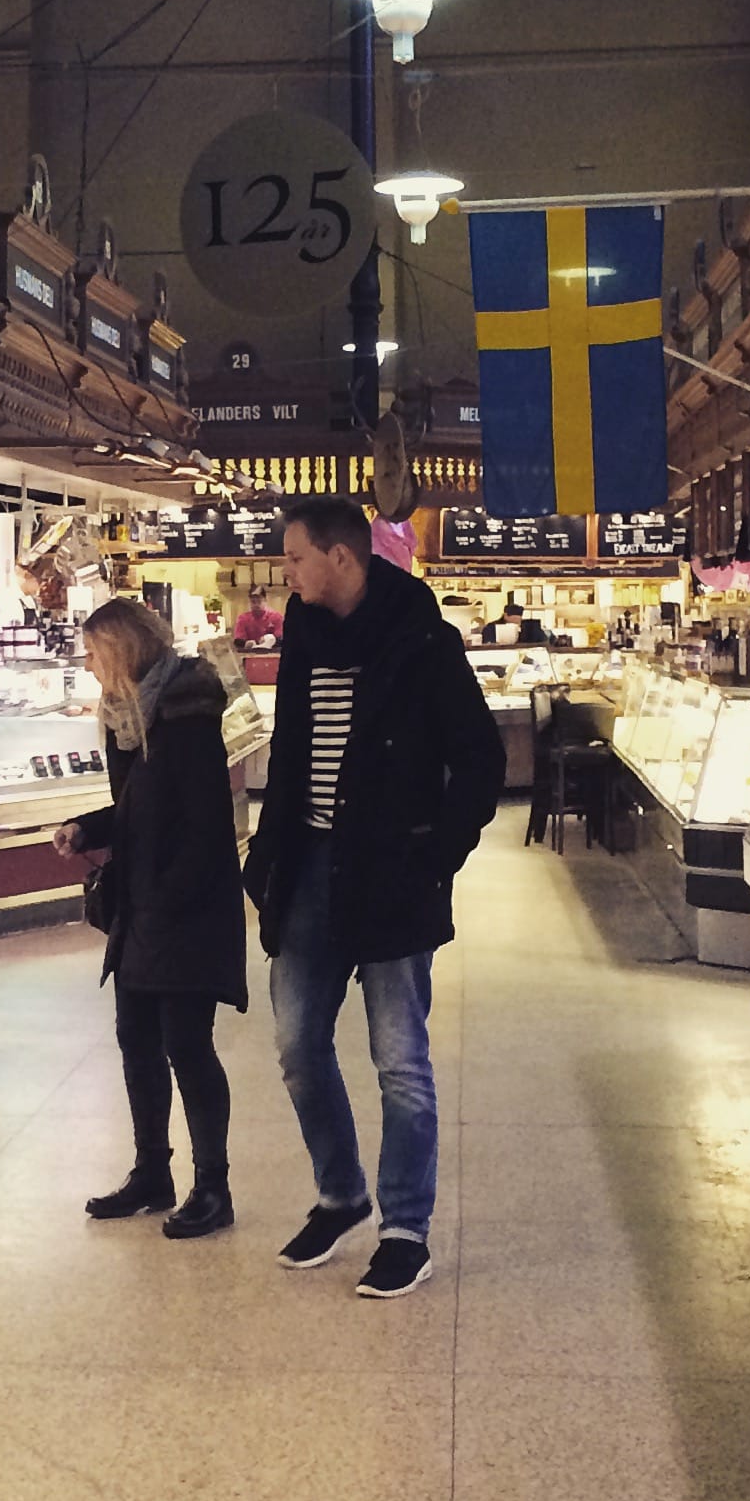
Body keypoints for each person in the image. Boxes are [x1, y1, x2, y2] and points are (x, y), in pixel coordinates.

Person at [245, 496, 506, 1297]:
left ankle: (404, 1226)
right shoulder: (304, 635)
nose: (285, 574)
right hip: (307, 869)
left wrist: (437, 856)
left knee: (400, 1060)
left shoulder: (421, 639)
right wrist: (267, 858)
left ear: (341, 559)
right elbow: (292, 759)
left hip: (392, 873)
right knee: (296, 1048)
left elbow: (481, 759)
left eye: (294, 559)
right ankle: (340, 1194)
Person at [54, 597, 245, 1239]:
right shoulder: (127, 717)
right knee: (136, 1037)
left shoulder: (184, 710)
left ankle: (212, 1187)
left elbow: (202, 821)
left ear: (122, 650)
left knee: (187, 1045)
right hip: (142, 904)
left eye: (93, 651)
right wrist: (86, 829)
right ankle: (151, 1174)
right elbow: (138, 808)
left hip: (184, 906)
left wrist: (170, 896)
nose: (87, 664)